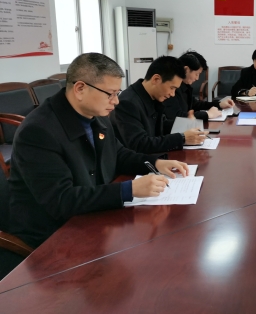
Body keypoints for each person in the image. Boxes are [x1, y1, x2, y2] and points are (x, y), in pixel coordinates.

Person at [7, 53, 189, 249]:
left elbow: (118, 154)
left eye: (117, 93)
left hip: (91, 216)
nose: (116, 101)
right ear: (80, 89)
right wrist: (129, 190)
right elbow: (61, 201)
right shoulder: (38, 131)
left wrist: (155, 164)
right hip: (53, 234)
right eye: (110, 94)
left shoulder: (97, 115)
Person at [111, 55, 206, 154]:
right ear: (156, 79)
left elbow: (161, 125)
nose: (173, 94)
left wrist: (186, 125)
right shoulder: (128, 103)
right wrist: (182, 138)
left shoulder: (152, 96)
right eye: (172, 88)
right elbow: (139, 144)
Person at [163, 51, 234, 124]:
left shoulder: (185, 86)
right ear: (186, 70)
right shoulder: (171, 89)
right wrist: (207, 114)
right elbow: (175, 116)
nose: (197, 78)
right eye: (197, 74)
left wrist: (219, 104)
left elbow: (196, 105)